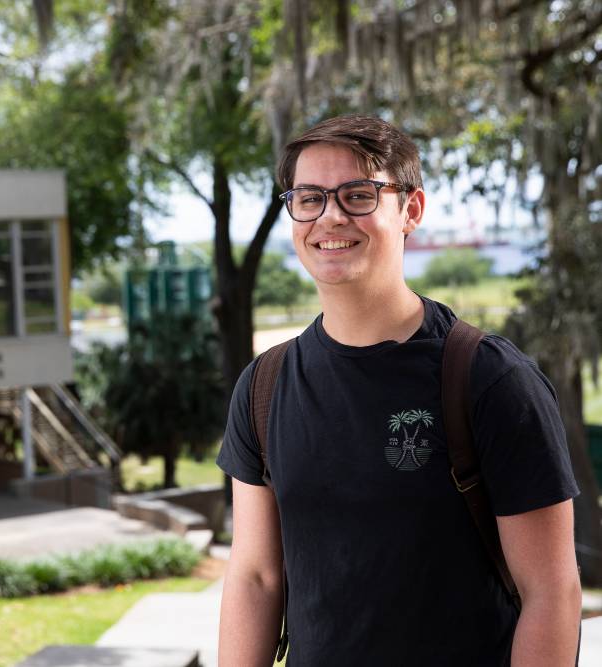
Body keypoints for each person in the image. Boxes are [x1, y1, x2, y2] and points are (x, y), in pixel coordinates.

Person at [216, 115, 582, 666]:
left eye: (358, 195)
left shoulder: (489, 379)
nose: (330, 216)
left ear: (410, 210)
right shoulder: (264, 387)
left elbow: (552, 593)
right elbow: (257, 578)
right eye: (309, 197)